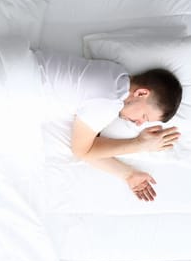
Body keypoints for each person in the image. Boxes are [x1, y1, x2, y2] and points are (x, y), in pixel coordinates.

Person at [68, 62, 183, 203]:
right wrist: (140, 145)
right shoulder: (110, 102)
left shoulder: (115, 75)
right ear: (141, 93)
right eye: (144, 117)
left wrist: (129, 174)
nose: (139, 123)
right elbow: (81, 151)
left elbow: (89, 149)